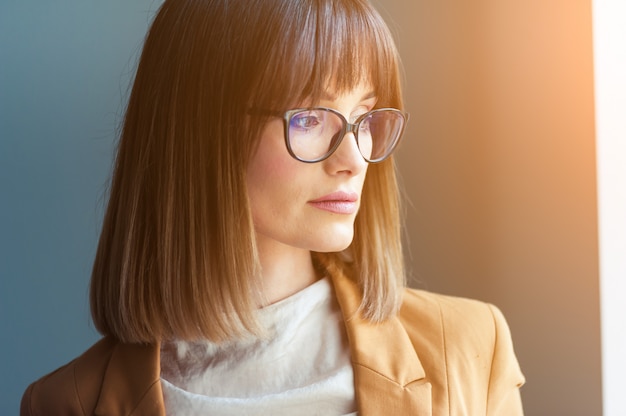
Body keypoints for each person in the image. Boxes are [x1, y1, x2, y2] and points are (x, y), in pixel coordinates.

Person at [20, 0, 525, 414]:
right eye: (309, 118)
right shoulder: (65, 403)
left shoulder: (470, 351)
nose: (353, 159)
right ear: (202, 134)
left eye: (365, 118)